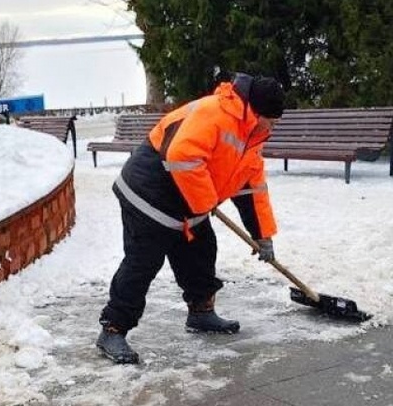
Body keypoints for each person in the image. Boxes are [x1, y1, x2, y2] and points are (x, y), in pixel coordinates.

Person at [97, 73, 286, 364]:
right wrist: (206, 202)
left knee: (201, 249)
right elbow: (181, 155)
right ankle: (113, 329)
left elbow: (252, 187)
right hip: (148, 194)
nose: (274, 127)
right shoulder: (214, 113)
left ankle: (201, 313)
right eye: (272, 120)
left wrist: (263, 235)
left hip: (188, 200)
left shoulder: (252, 134)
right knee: (143, 261)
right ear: (257, 112)